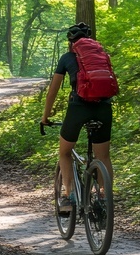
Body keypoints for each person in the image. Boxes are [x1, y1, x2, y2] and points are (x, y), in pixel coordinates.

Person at [39, 23, 115, 213]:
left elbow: (53, 91)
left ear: (71, 42)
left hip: (78, 108)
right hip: (104, 107)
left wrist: (45, 116)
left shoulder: (67, 58)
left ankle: (69, 196)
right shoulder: (102, 57)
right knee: (103, 156)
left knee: (65, 152)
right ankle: (104, 197)